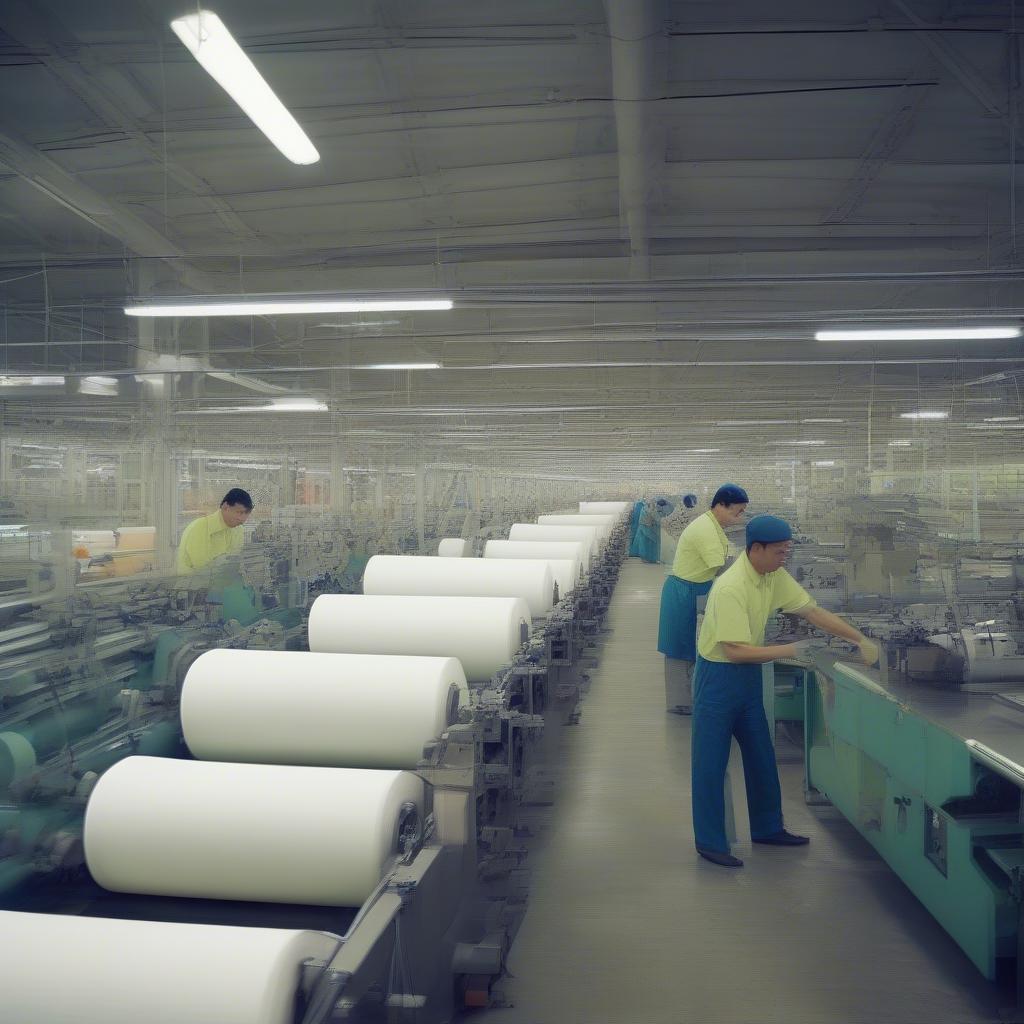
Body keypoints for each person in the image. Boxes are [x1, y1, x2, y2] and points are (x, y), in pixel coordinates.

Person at [691, 513, 880, 868]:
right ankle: (710, 841)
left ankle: (767, 827)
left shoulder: (771, 575)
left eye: (786, 551)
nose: (785, 558)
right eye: (779, 551)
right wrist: (791, 651)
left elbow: (811, 611)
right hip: (718, 677)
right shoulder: (732, 587)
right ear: (756, 549)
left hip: (747, 679)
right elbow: (734, 650)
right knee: (710, 762)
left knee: (762, 755)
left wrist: (858, 638)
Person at [657, 484, 748, 715]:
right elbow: (719, 566)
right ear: (719, 506)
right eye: (736, 512)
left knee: (690, 647)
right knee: (680, 648)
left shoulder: (712, 524)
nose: (739, 518)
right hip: (684, 592)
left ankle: (690, 699)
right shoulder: (706, 529)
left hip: (694, 588)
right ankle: (681, 703)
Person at [176, 487, 253, 574]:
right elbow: (202, 569)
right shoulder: (200, 528)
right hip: (192, 584)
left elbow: (235, 561)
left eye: (247, 513)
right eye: (240, 512)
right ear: (225, 507)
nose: (243, 519)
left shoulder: (238, 529)